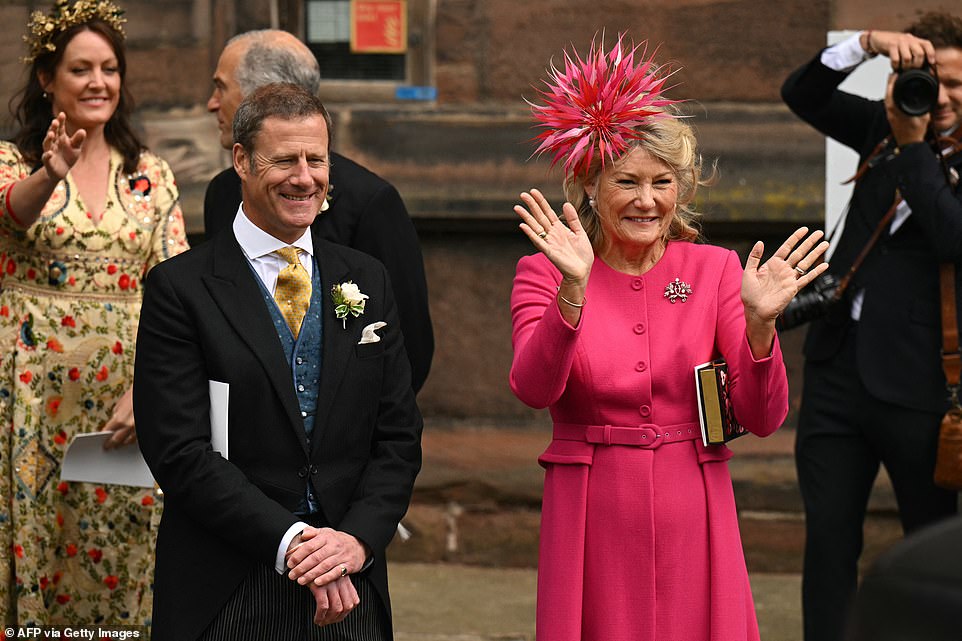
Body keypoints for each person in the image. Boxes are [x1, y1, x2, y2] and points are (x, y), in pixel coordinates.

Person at [509, 37, 830, 641]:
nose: (647, 200)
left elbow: (762, 418)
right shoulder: (546, 270)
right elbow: (532, 387)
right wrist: (573, 289)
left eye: (663, 182)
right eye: (627, 181)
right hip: (591, 505)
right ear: (590, 184)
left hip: (695, 499)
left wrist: (762, 327)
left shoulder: (714, 271)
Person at [134, 82, 422, 641]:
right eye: (284, 160)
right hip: (230, 582)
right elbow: (180, 451)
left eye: (317, 159)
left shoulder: (366, 278)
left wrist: (355, 541)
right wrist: (293, 544)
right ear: (241, 160)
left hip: (349, 580)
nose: (305, 177)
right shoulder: (180, 289)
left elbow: (399, 436)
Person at [0, 0, 189, 628]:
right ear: (47, 79)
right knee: (34, 547)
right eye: (80, 69)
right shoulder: (13, 162)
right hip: (27, 403)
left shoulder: (152, 177)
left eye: (109, 68)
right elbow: (11, 214)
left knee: (121, 549)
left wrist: (147, 387)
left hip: (122, 407)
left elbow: (178, 293)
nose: (98, 82)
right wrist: (50, 173)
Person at [781, 12, 962, 641]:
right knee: (828, 543)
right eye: (929, 78)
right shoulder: (880, 132)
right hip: (836, 374)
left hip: (923, 388)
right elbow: (800, 94)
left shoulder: (908, 141)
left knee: (931, 546)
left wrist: (915, 145)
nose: (940, 96)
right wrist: (866, 45)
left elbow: (950, 232)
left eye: (956, 83)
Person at [203, 29, 433, 394]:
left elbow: (409, 350)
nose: (212, 103)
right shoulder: (222, 194)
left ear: (261, 96)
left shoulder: (372, 204)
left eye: (221, 87)